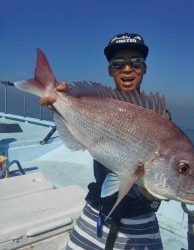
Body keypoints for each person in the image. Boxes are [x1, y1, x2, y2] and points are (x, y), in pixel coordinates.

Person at [40, 33, 164, 250]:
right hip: (96, 211)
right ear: (110, 70)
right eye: (118, 64)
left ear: (144, 69)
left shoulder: (161, 121)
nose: (127, 69)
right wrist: (59, 107)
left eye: (136, 62)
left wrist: (153, 190)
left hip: (140, 220)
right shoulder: (93, 104)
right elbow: (78, 127)